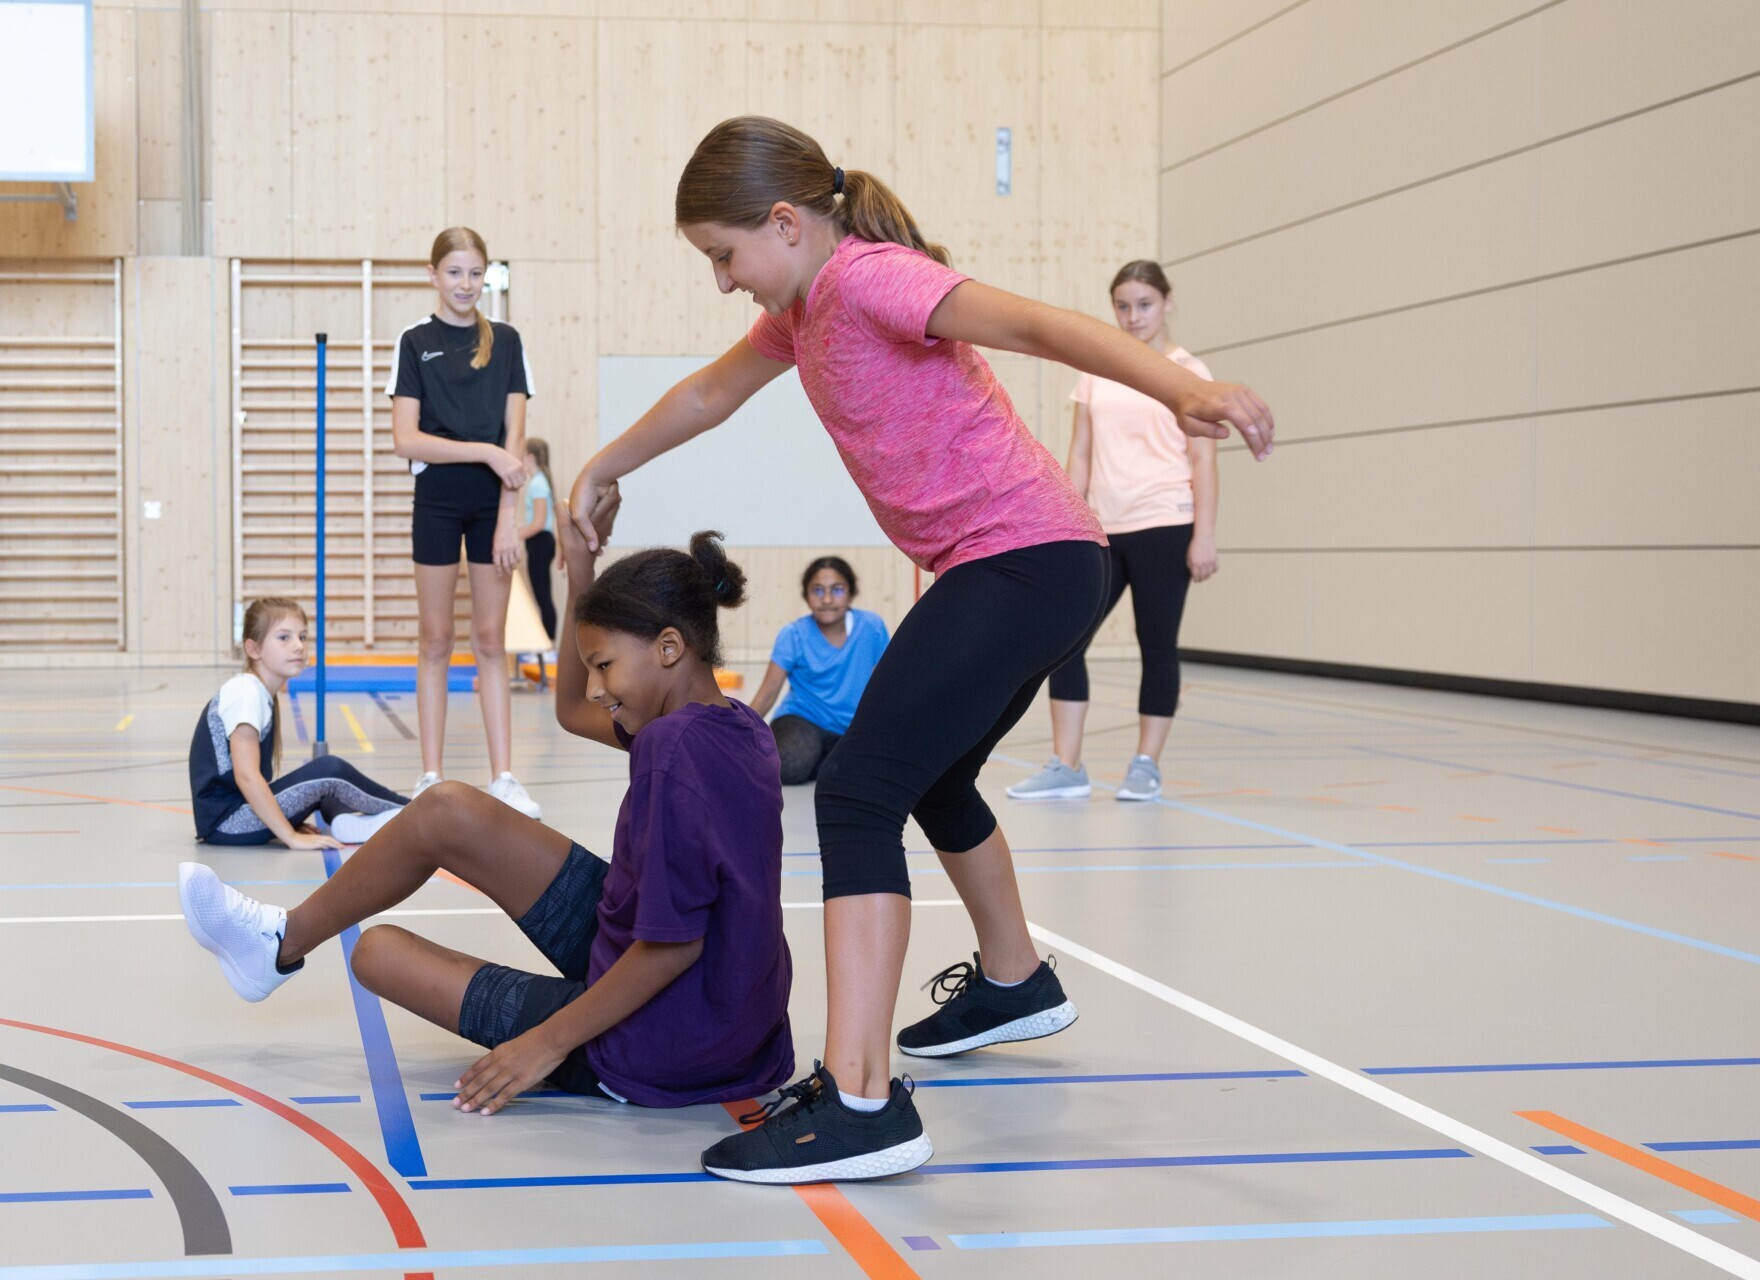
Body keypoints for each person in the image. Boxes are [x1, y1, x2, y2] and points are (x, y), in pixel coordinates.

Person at [567, 116, 1274, 1183]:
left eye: (723, 254)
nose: (721, 280)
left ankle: (860, 1099)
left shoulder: (868, 279)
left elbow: (1037, 322)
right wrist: (603, 466)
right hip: (1028, 563)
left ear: (787, 222)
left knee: (856, 790)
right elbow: (709, 394)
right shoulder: (801, 312)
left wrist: (1182, 391)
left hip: (1025, 558)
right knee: (929, 771)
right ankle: (1015, 973)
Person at [177, 501, 794, 1116]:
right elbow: (573, 710)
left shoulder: (670, 746)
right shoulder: (734, 725)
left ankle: (279, 947)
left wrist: (542, 1045)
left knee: (377, 952)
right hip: (734, 1019)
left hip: (664, 1039)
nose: (598, 686)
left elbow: (674, 946)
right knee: (445, 807)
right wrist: (580, 570)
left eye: (604, 665)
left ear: (667, 647)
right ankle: (278, 942)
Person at [1007, 260, 1219, 804]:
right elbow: (1079, 453)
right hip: (1101, 527)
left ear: (1167, 303)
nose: (1133, 316)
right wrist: (1064, 517)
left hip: (1166, 523)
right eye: (1122, 306)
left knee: (1156, 645)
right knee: (1065, 641)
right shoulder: (1098, 372)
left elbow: (1204, 460)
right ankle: (1066, 766)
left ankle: (1146, 764)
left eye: (1144, 304)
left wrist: (1205, 534)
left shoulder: (1190, 372)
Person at [387, 227, 540, 818]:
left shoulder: (506, 341)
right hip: (437, 500)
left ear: (486, 277)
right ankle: (430, 774)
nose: (465, 284)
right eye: (454, 272)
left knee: (489, 642)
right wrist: (483, 452)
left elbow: (516, 440)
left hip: (492, 506)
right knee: (436, 640)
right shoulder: (414, 342)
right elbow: (406, 439)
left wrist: (508, 520)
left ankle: (504, 776)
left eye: (475, 273)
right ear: (433, 276)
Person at [188, 598, 408, 848]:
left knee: (324, 786)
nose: (298, 646)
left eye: (302, 637)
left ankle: (351, 821)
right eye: (284, 638)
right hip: (227, 822)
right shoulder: (245, 692)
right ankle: (413, 810)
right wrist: (290, 836)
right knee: (329, 770)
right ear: (253, 649)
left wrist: (289, 820)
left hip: (237, 814)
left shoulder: (260, 692)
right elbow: (247, 776)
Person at [748, 556, 889, 785]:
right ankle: (818, 760)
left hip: (850, 728)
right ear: (806, 596)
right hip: (801, 718)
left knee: (861, 772)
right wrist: (735, 735)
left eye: (837, 589)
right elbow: (768, 693)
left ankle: (824, 760)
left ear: (851, 594)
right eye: (817, 590)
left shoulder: (872, 627)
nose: (826, 599)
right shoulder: (793, 634)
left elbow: (885, 686)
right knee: (791, 765)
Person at [518, 436, 560, 648]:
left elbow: (538, 522)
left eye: (523, 455)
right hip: (539, 543)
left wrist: (514, 535)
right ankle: (545, 643)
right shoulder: (538, 481)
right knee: (540, 595)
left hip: (541, 542)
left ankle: (549, 645)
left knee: (543, 595)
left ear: (530, 456)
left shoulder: (538, 483)